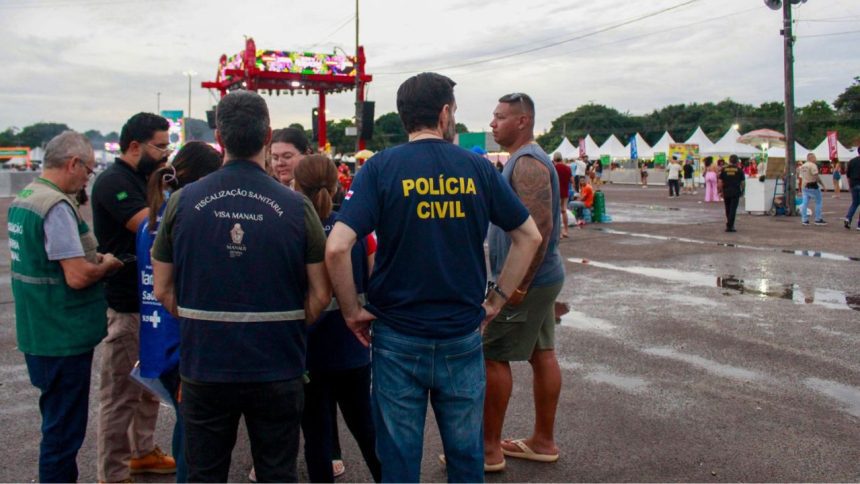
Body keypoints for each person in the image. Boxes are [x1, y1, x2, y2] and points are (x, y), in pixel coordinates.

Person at [325, 73, 541, 482]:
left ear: (404, 116)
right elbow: (528, 235)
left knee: (400, 458)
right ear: (444, 114)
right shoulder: (478, 167)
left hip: (397, 334)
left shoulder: (380, 168)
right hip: (461, 331)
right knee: (465, 456)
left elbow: (336, 246)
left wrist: (352, 310)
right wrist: (495, 300)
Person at [151, 90, 331, 482]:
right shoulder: (297, 208)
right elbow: (321, 293)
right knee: (277, 471)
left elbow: (162, 288)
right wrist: (289, 325)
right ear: (268, 136)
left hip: (205, 364)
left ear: (219, 136)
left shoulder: (182, 203)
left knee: (205, 473)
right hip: (277, 364)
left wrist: (204, 320)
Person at [8, 131, 123, 483]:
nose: (87, 177)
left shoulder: (25, 196)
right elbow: (77, 275)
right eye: (87, 170)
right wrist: (107, 265)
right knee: (63, 434)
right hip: (61, 334)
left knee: (55, 423)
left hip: (37, 329)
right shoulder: (55, 206)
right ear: (73, 163)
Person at [91, 112, 176, 483]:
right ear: (134, 146)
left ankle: (142, 452)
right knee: (120, 395)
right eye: (160, 146)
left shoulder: (145, 177)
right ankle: (112, 472)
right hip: (126, 305)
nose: (165, 154)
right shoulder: (114, 182)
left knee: (150, 386)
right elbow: (151, 225)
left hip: (150, 304)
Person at [484, 92, 565, 472]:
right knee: (541, 352)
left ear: (522, 121)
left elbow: (541, 226)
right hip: (541, 277)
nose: (492, 124)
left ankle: (487, 451)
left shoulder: (528, 162)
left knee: (492, 354)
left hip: (529, 280)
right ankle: (542, 441)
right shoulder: (521, 159)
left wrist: (516, 286)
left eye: (500, 117)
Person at [136, 141, 223, 483]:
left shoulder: (153, 219)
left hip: (159, 341)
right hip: (185, 342)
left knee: (186, 428)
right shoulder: (188, 219)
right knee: (194, 442)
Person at [293, 154, 382, 483]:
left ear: (295, 186)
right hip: (352, 346)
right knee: (367, 428)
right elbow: (376, 280)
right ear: (336, 185)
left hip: (308, 350)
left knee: (316, 436)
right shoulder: (356, 231)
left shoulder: (293, 231)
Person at [718, 154, 745, 232]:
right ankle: (730, 225)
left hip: (726, 191)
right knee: (733, 209)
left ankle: (729, 224)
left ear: (729, 161)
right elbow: (743, 182)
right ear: (737, 161)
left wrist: (720, 191)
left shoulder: (724, 169)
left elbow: (720, 182)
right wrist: (743, 190)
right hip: (735, 191)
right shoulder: (739, 170)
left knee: (728, 208)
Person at [799, 153, 827, 226]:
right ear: (811, 158)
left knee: (805, 203)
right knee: (818, 201)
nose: (815, 159)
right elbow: (816, 176)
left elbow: (801, 177)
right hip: (812, 185)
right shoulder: (813, 165)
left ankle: (804, 219)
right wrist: (822, 185)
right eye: (814, 157)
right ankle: (818, 219)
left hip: (804, 186)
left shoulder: (802, 166)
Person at [552, 152, 572, 238]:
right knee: (564, 210)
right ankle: (566, 231)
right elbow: (572, 180)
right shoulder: (568, 168)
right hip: (565, 192)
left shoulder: (554, 168)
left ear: (554, 159)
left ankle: (559, 233)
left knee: (557, 212)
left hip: (556, 192)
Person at [844, 147, 860, 229]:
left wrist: (850, 185)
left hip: (854, 184)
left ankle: (848, 218)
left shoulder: (852, 161)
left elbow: (848, 175)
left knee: (855, 203)